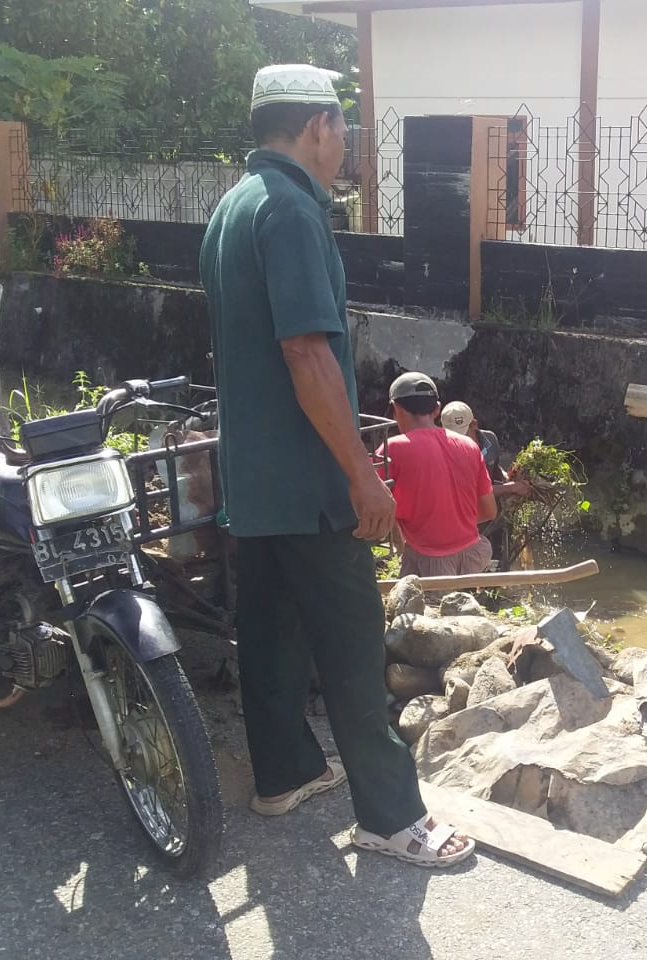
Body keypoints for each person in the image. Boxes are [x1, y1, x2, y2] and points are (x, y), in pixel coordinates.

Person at [199, 64, 473, 867]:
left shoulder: (233, 204)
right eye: (343, 127)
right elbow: (306, 350)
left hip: (254, 475)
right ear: (316, 125)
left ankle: (283, 775)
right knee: (355, 647)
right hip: (312, 478)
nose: (346, 142)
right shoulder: (290, 210)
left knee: (273, 630)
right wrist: (360, 471)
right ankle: (393, 818)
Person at [382, 373, 498, 576]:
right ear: (436, 409)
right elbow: (489, 512)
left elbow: (371, 507)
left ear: (396, 409)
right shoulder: (470, 446)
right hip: (474, 553)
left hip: (430, 562)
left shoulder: (391, 450)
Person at [439, 401, 530, 499]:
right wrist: (511, 487)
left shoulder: (490, 438)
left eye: (463, 434)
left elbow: (495, 467)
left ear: (474, 424)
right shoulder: (444, 455)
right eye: (453, 437)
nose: (458, 441)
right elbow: (475, 491)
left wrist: (507, 478)